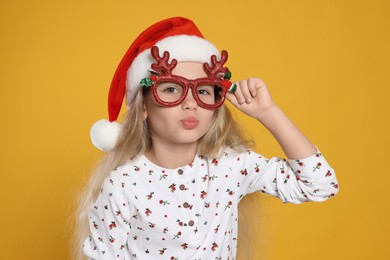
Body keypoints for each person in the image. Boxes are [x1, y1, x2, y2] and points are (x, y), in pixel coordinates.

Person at [75, 17, 339, 260]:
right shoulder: (123, 185)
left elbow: (319, 184)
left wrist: (268, 112)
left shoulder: (231, 166)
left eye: (203, 91)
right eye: (171, 89)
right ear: (143, 108)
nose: (191, 104)